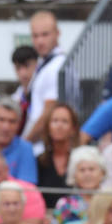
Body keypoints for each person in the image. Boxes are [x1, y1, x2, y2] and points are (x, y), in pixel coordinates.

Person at [22, 10, 67, 150]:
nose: (40, 41)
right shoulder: (45, 63)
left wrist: (24, 145)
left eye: (45, 34)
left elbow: (48, 113)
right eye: (35, 36)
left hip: (43, 148)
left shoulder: (56, 66)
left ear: (57, 33)